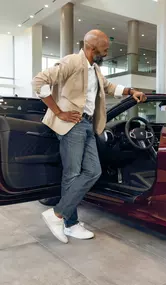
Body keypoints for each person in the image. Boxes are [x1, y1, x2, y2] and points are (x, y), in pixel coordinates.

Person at [32, 29, 146, 243]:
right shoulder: (72, 62)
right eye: (104, 49)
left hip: (87, 124)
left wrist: (131, 92)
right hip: (71, 124)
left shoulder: (94, 68)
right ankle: (70, 223)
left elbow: (110, 87)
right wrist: (58, 112)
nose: (107, 52)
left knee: (93, 171)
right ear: (92, 48)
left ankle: (58, 214)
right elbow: (39, 82)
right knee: (72, 173)